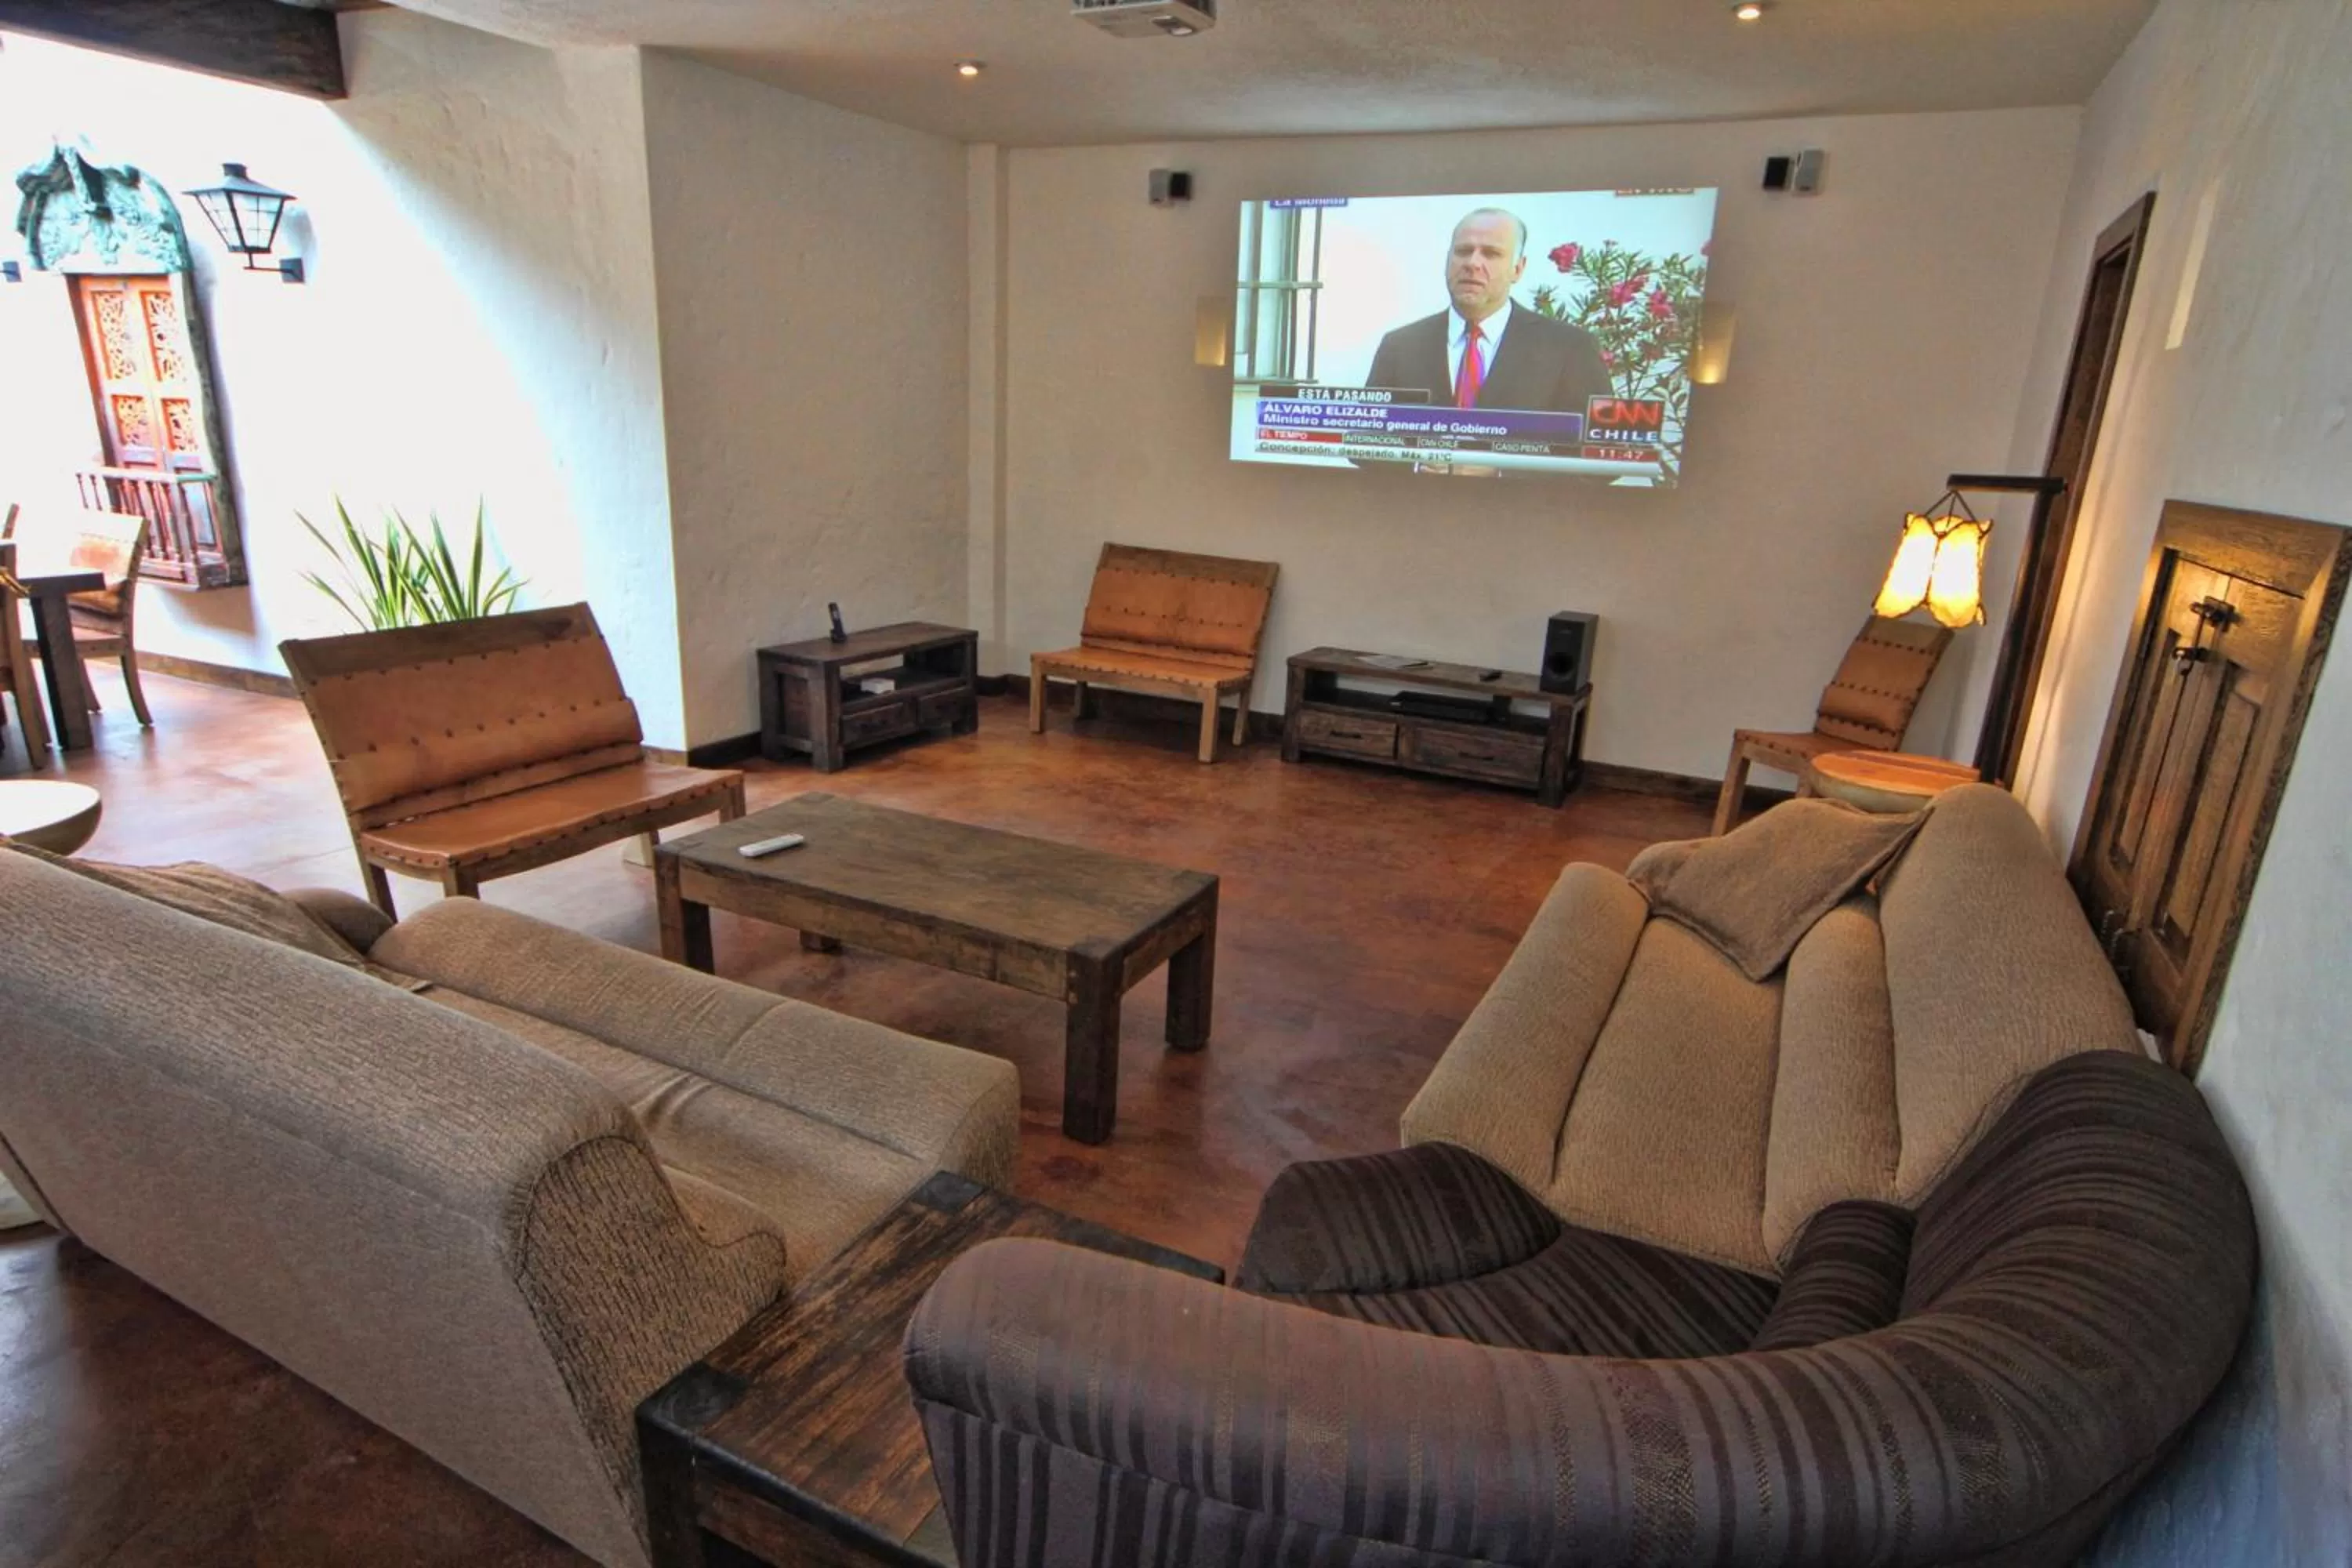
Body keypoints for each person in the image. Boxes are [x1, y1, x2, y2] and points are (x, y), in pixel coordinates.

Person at [1364, 208, 1615, 417]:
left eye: (1491, 253)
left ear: (1518, 268)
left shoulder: (1570, 348)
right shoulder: (1400, 345)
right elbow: (1365, 439)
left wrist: (1500, 471)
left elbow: (1598, 457)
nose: (1472, 263)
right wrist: (1418, 465)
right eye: (1463, 251)